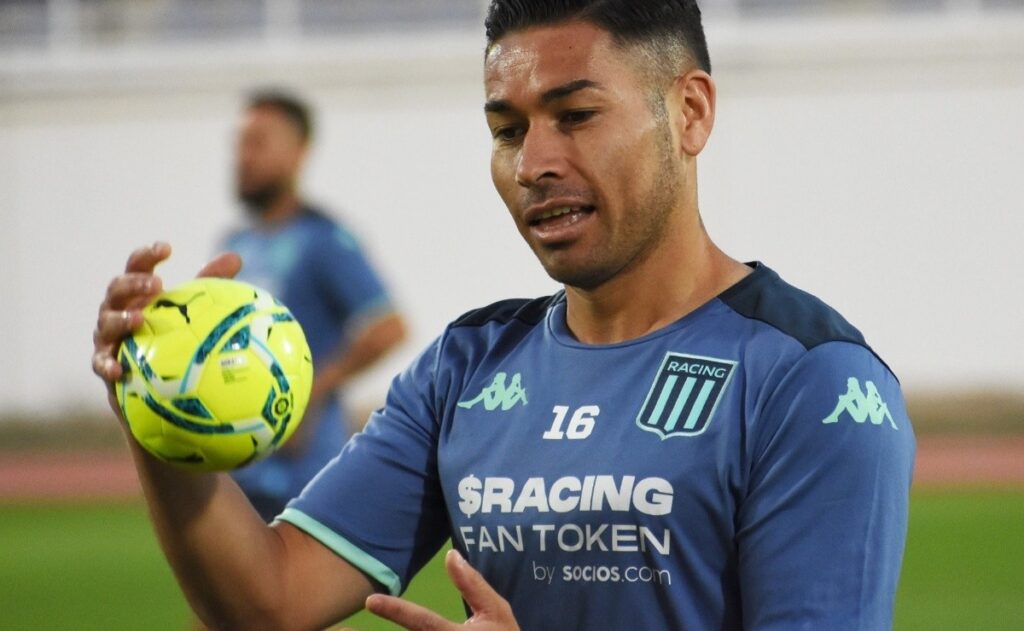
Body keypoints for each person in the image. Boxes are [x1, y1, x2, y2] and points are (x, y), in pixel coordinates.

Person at [91, 2, 915, 629]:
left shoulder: (815, 381)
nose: (534, 164)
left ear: (690, 113)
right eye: (507, 129)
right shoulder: (466, 367)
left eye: (576, 115)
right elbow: (268, 600)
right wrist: (153, 399)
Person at [226, 90, 407, 520]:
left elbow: (389, 327)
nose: (243, 157)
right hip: (240, 465)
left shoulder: (323, 240)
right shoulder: (236, 246)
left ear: (299, 152)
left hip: (303, 470)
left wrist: (308, 391)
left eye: (259, 142)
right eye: (239, 143)